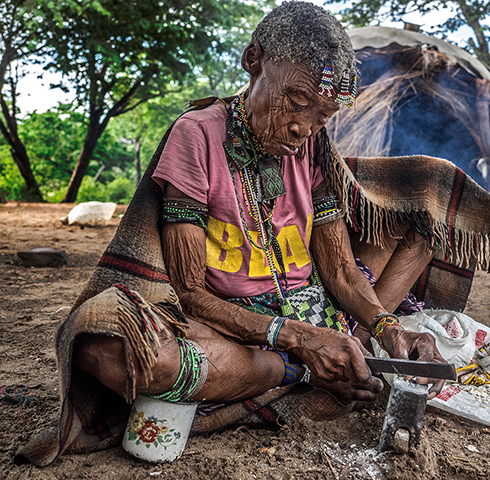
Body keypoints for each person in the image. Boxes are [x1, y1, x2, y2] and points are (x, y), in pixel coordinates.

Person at [74, 1, 448, 407]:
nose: (302, 128)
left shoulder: (312, 145)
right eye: (295, 100)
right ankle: (298, 370)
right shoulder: (196, 134)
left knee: (422, 218)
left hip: (318, 308)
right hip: (238, 326)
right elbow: (188, 292)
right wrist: (299, 340)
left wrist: (388, 328)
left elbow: (339, 267)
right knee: (114, 355)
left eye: (321, 116)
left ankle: (342, 353)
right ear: (253, 60)